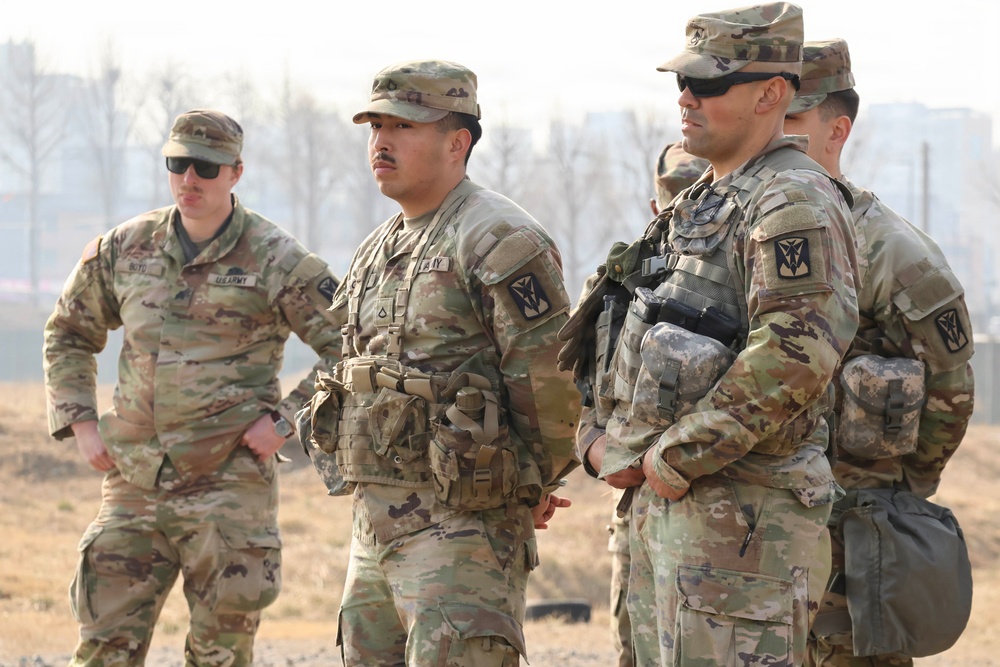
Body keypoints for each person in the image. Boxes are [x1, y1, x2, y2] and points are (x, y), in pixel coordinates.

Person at [559, 3, 861, 664]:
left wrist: (674, 458)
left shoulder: (791, 201)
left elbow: (796, 351)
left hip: (742, 536)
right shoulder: (703, 198)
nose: (687, 98)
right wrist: (596, 436)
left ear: (771, 94)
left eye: (709, 83)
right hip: (670, 524)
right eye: (681, 83)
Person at [302, 59, 580, 666]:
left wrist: (530, 483)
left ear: (457, 142)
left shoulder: (498, 238)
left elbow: (553, 383)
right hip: (374, 529)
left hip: (462, 534)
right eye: (375, 125)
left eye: (403, 125)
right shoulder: (378, 246)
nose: (381, 140)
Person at [43, 109, 342, 665]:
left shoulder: (277, 259)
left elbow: (348, 346)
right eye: (177, 164)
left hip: (228, 486)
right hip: (134, 480)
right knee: (103, 646)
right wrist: (81, 422)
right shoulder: (124, 248)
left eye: (205, 166)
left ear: (236, 172)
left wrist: (285, 421)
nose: (190, 179)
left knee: (220, 652)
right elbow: (68, 331)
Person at [783, 39, 976, 667]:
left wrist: (892, 491)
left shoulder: (891, 250)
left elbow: (951, 391)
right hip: (747, 538)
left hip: (851, 543)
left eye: (792, 120)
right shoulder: (731, 227)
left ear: (836, 129)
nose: (773, 136)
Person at [600, 142, 708, 667]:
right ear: (655, 206)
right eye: (675, 199)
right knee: (635, 651)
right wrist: (597, 453)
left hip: (717, 511)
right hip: (636, 507)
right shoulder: (623, 279)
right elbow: (583, 394)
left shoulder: (741, 274)